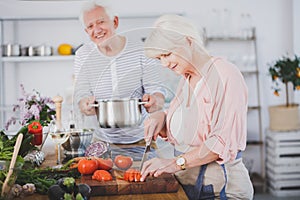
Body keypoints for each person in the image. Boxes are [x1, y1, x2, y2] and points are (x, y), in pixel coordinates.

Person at [140, 14, 254, 200]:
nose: (164, 64)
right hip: (191, 187)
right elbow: (192, 126)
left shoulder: (225, 74)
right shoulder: (186, 78)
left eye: (167, 54)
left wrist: (175, 163)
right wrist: (163, 119)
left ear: (188, 40)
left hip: (221, 191)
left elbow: (220, 141)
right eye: (160, 58)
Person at [73, 0, 165, 144]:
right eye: (90, 26)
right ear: (86, 31)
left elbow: (157, 93)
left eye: (101, 22)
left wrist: (155, 100)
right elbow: (81, 95)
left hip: (142, 138)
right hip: (101, 140)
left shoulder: (141, 50)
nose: (96, 30)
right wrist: (84, 104)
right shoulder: (82, 55)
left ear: (115, 22)